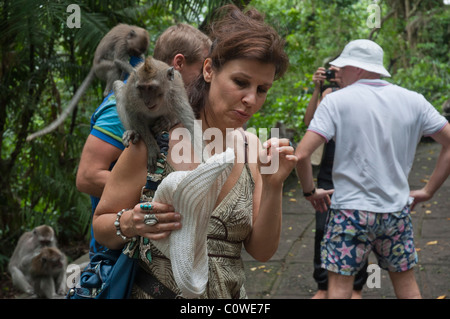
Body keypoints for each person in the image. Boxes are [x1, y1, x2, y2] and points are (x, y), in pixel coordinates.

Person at [92, 4, 297, 299]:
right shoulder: (156, 141)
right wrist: (130, 222)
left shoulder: (252, 149)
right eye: (240, 82)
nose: (251, 99)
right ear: (209, 69)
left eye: (262, 89)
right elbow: (101, 226)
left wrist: (275, 184)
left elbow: (262, 252)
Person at [295, 39, 450, 299]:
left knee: (340, 290)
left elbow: (301, 155)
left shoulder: (336, 102)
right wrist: (428, 191)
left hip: (349, 214)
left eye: (342, 67)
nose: (339, 73)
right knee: (408, 287)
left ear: (356, 68)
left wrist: (310, 192)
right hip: (395, 213)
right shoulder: (414, 101)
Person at [76, 23, 211, 258]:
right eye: (202, 68)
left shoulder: (174, 101)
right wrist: (158, 192)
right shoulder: (123, 107)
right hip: (116, 251)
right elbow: (86, 176)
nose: (206, 78)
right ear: (177, 64)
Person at [305, 66, 368, 299]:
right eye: (330, 72)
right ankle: (323, 285)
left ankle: (357, 287)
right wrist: (318, 90)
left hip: (356, 171)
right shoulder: (327, 94)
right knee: (323, 228)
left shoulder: (361, 94)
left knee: (360, 228)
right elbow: (309, 122)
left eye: (337, 71)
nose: (334, 75)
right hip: (329, 170)